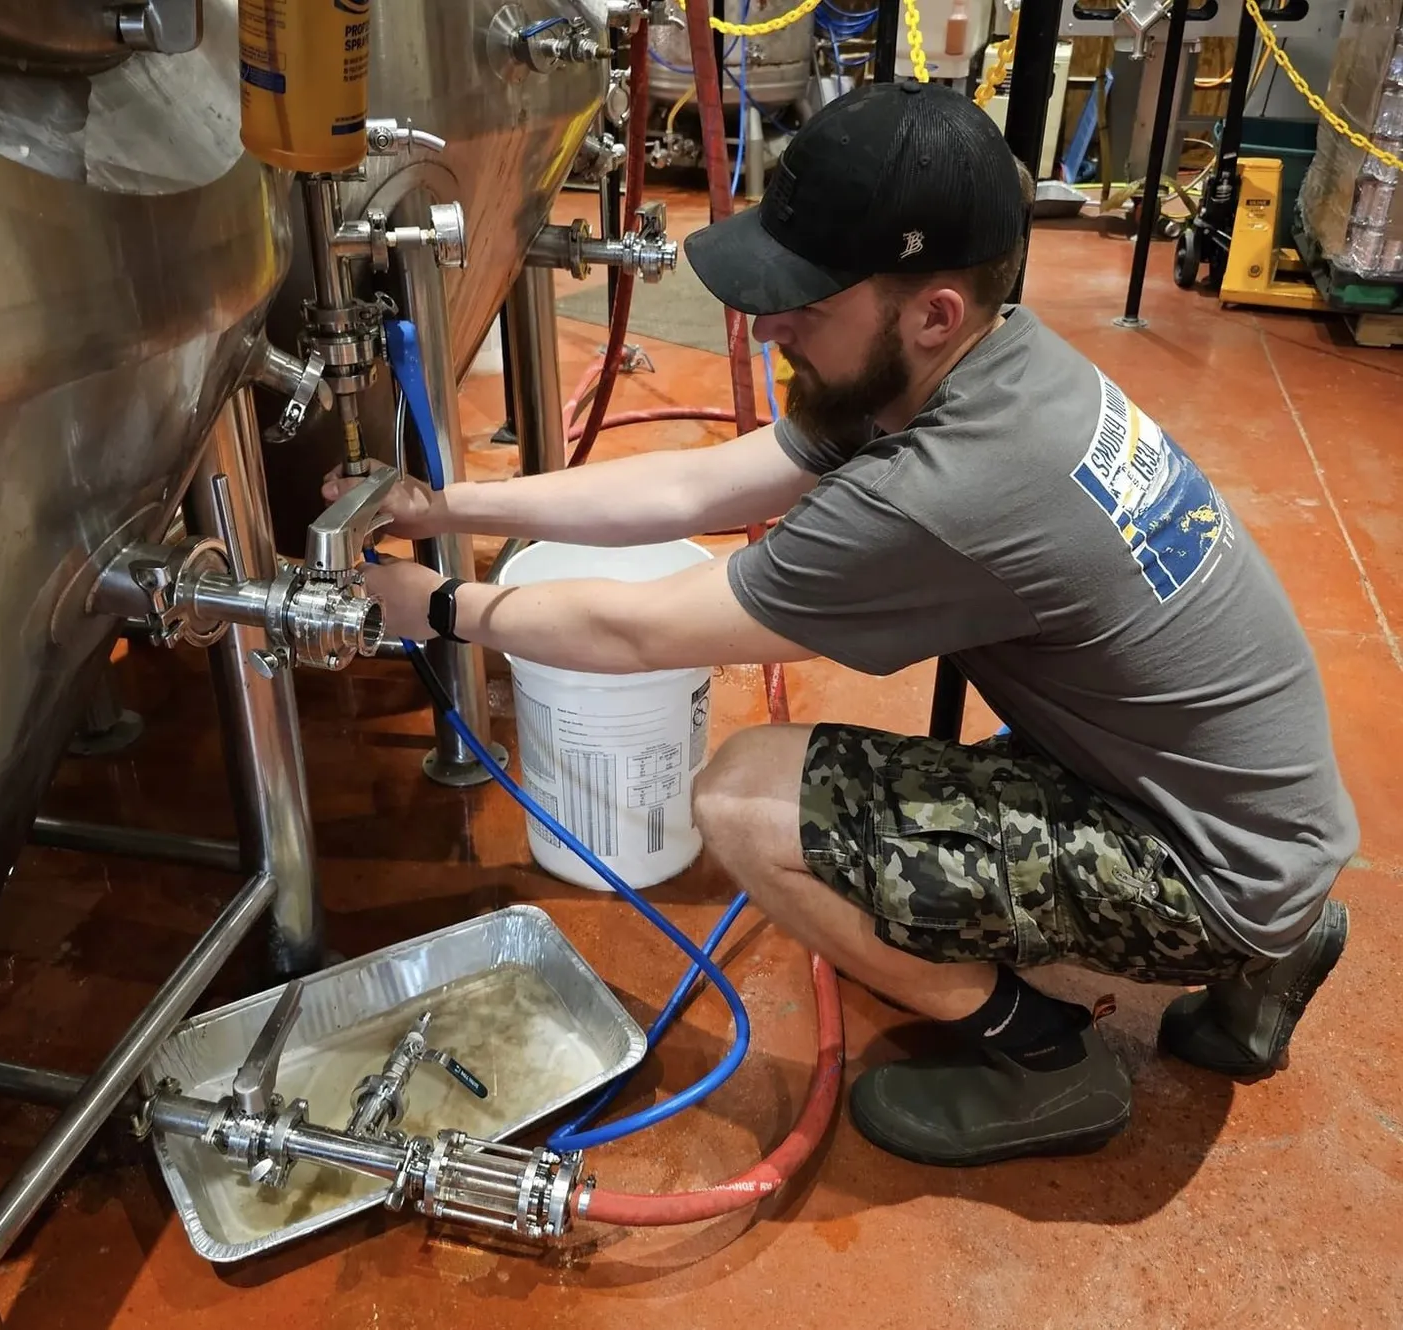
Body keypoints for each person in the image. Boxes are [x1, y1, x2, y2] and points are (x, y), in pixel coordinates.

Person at [331, 80, 1357, 1167]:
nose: (768, 324)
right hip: (1253, 811)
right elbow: (695, 489)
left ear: (932, 311)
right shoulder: (986, 360)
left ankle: (1051, 1058)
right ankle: (1282, 940)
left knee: (745, 798)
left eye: (804, 301)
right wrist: (444, 506)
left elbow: (642, 633)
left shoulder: (944, 487)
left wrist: (441, 607)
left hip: (1209, 867)